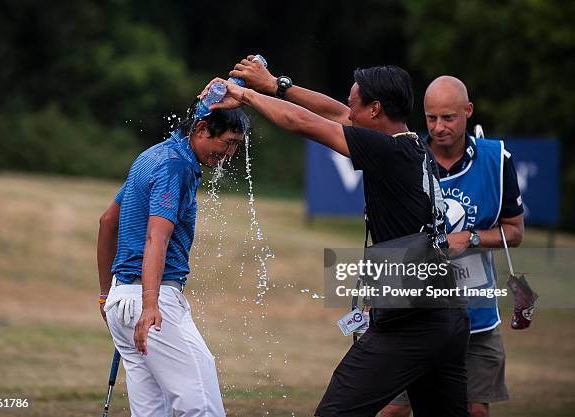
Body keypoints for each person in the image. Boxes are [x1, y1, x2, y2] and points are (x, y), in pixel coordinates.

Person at [201, 58, 470, 416]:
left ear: (375, 110)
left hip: (411, 323)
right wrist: (276, 87)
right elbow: (338, 114)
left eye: (355, 103)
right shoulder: (409, 147)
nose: (349, 111)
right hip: (446, 318)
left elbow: (302, 122)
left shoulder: (388, 152)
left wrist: (245, 95)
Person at [380, 76, 524, 417]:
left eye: (448, 117)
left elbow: (515, 232)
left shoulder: (496, 158)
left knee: (474, 411)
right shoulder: (408, 156)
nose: (439, 127)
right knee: (395, 411)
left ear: (468, 112)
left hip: (477, 315)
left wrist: (470, 237)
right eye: (431, 118)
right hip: (413, 311)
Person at [96, 106, 250, 417]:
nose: (230, 153)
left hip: (121, 302)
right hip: (153, 305)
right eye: (229, 142)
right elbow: (157, 237)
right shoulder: (176, 166)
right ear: (202, 129)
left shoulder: (153, 156)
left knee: (153, 412)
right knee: (202, 408)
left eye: (237, 145)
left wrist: (105, 294)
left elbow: (107, 221)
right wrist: (150, 304)